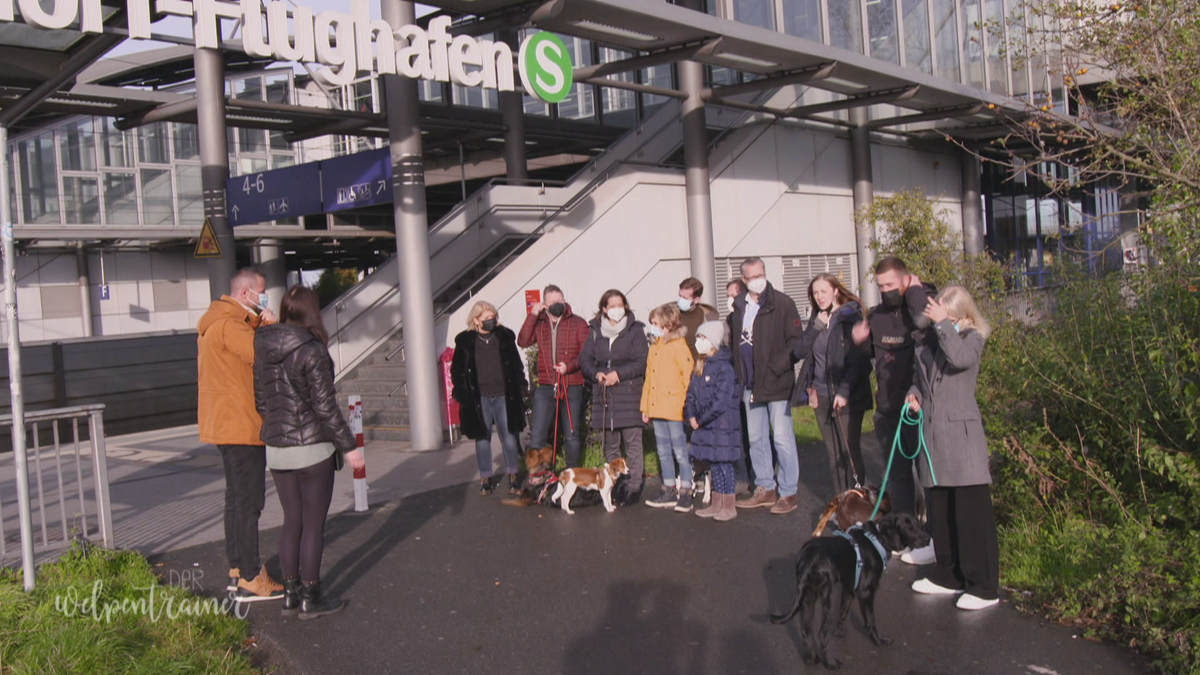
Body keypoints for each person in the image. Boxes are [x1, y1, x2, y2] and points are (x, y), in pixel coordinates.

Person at [254, 286, 365, 619]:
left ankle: (290, 594)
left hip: (277, 448)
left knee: (292, 520)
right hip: (312, 448)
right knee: (313, 525)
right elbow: (326, 407)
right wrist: (350, 448)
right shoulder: (313, 350)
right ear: (312, 312)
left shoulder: (262, 346)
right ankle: (311, 596)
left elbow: (260, 401)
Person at [904, 286, 1000, 611]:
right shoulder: (934, 339)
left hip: (961, 438)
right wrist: (914, 393)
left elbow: (959, 360)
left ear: (957, 312)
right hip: (933, 437)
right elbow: (922, 376)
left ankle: (984, 586)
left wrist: (943, 324)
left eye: (941, 313)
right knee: (941, 511)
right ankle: (948, 574)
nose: (933, 319)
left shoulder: (973, 337)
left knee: (971, 514)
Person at [197, 267, 284, 602]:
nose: (264, 298)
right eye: (261, 292)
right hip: (241, 423)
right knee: (249, 502)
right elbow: (261, 356)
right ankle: (250, 576)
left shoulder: (218, 321)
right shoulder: (230, 325)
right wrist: (270, 327)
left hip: (226, 423)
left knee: (236, 500)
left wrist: (259, 322)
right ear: (246, 293)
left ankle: (238, 568)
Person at [851, 256, 937, 563]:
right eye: (881, 286)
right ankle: (906, 534)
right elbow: (871, 357)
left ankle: (934, 537)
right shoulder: (876, 316)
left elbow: (928, 327)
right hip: (887, 409)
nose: (885, 290)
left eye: (891, 284)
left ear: (906, 280)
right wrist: (861, 343)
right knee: (898, 476)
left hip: (918, 406)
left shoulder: (921, 304)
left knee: (927, 474)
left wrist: (915, 291)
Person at [730, 258, 803, 515]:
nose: (758, 279)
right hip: (750, 384)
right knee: (757, 439)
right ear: (744, 281)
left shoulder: (782, 303)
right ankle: (765, 488)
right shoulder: (739, 308)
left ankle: (788, 491)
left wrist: (775, 367)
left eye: (761, 274)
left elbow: (796, 343)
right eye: (752, 277)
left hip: (776, 382)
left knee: (782, 438)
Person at [791, 273, 873, 493]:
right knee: (833, 452)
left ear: (836, 291)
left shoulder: (850, 317)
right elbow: (798, 352)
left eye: (823, 291)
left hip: (847, 394)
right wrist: (816, 325)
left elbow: (858, 360)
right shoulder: (818, 319)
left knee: (849, 451)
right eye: (815, 293)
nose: (819, 297)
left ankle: (857, 499)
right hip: (821, 394)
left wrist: (844, 391)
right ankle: (842, 502)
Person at [451, 301, 528, 497]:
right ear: (476, 320)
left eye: (492, 317)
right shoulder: (466, 342)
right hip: (479, 397)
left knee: (509, 435)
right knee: (482, 437)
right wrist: (462, 393)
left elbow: (516, 365)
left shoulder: (504, 337)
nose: (490, 321)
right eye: (486, 318)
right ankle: (485, 477)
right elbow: (457, 371)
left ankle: (513, 474)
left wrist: (522, 387)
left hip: (504, 394)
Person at [579, 290, 648, 505]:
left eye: (621, 304)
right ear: (604, 309)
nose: (618, 309)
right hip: (604, 394)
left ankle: (633, 486)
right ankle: (613, 484)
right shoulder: (595, 330)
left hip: (629, 391)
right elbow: (585, 359)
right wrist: (595, 373)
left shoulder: (635, 330)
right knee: (610, 443)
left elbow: (641, 361)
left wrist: (619, 374)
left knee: (633, 442)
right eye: (613, 305)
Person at [518, 284, 588, 467]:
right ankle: (538, 475)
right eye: (554, 302)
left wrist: (569, 366)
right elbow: (523, 341)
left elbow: (587, 355)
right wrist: (533, 315)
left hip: (571, 384)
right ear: (545, 304)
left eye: (561, 300)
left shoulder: (578, 323)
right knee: (538, 435)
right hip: (546, 385)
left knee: (571, 435)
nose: (559, 304)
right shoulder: (540, 323)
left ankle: (572, 475)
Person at [641, 303, 695, 511]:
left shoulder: (679, 347)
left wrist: (687, 407)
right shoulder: (654, 347)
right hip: (657, 408)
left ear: (669, 324)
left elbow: (688, 379)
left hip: (675, 408)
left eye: (656, 323)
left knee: (680, 451)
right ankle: (669, 487)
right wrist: (645, 406)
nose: (652, 327)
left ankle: (686, 489)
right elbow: (649, 380)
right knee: (663, 450)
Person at [686, 321, 742, 522]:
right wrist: (691, 414)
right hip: (705, 426)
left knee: (725, 464)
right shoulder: (700, 366)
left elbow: (721, 401)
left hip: (722, 426)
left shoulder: (724, 368)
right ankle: (717, 503)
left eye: (703, 338)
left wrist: (701, 418)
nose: (698, 342)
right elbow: (691, 394)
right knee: (715, 465)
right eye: (698, 338)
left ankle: (729, 505)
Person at [725, 278, 755, 488]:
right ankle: (744, 477)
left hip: (752, 382)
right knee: (742, 432)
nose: (729, 300)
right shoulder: (730, 319)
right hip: (737, 382)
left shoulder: (751, 316)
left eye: (732, 295)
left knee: (756, 434)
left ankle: (762, 475)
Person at [676, 277, 719, 361]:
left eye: (685, 298)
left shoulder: (707, 318)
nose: (681, 300)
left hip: (699, 367)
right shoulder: (671, 315)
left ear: (696, 300)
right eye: (680, 296)